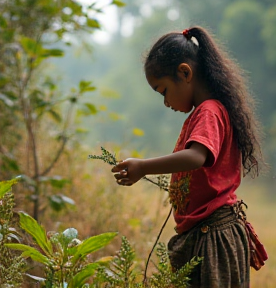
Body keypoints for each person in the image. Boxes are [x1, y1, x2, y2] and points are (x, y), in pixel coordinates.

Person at [111, 26, 265, 288]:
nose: (165, 102)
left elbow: (196, 157)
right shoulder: (205, 112)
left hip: (215, 236)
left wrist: (143, 167)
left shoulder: (209, 111)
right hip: (206, 233)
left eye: (163, 91)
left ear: (185, 73)